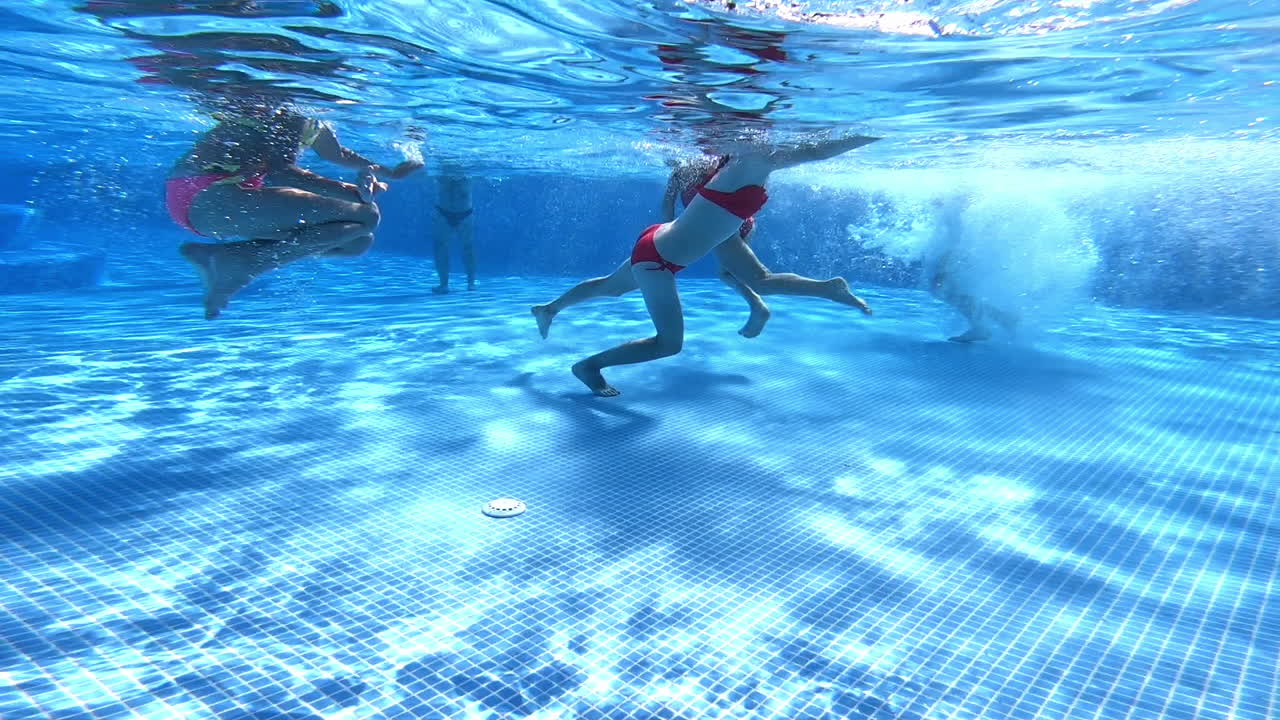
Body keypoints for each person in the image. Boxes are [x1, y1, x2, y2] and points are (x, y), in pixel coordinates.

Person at [533, 135, 880, 397]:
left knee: (757, 279)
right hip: (658, 259)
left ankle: (549, 309)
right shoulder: (749, 161)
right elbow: (815, 151)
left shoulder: (732, 166)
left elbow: (705, 213)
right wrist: (871, 133)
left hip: (662, 241)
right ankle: (588, 366)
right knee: (668, 343)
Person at [168, 101, 421, 319]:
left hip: (208, 201)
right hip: (208, 194)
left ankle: (223, 256)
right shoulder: (292, 107)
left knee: (356, 241)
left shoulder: (310, 117)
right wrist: (351, 192)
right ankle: (245, 264)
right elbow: (281, 173)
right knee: (367, 215)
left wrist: (390, 173)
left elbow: (337, 153)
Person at [664, 155, 872, 336]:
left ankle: (828, 289)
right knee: (728, 274)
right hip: (741, 221)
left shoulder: (682, 171)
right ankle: (757, 307)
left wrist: (668, 237)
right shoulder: (716, 164)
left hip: (721, 225)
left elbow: (668, 207)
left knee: (760, 280)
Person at [431, 164, 476, 293]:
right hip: (443, 212)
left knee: (468, 248)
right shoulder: (439, 166)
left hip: (465, 213)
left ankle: (471, 283)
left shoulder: (467, 168)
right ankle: (443, 284)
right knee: (441, 248)